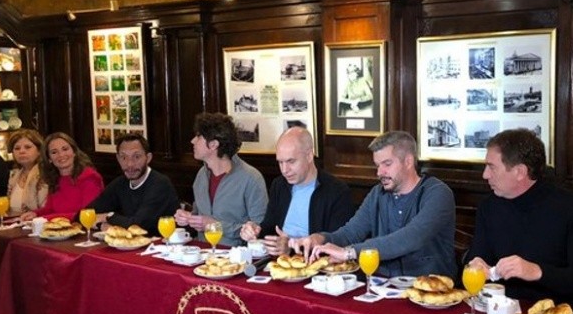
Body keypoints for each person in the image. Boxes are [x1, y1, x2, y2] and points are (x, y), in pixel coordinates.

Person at [293, 130, 457, 278]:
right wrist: (320, 238)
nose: (379, 173)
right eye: (377, 166)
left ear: (408, 161)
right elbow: (351, 233)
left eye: (387, 164)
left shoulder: (437, 193)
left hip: (430, 289)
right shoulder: (377, 194)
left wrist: (350, 253)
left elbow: (410, 237)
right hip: (382, 285)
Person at [466, 129, 573, 312]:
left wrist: (536, 272)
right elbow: (479, 257)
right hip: (499, 310)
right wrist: (477, 265)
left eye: (492, 167)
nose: (485, 175)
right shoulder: (489, 206)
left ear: (520, 172)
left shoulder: (570, 209)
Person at [239, 127, 355, 256]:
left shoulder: (337, 191)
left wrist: (291, 248)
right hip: (278, 262)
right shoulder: (280, 185)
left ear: (309, 156)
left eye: (291, 161)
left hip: (315, 266)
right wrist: (255, 231)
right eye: (280, 162)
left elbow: (337, 244)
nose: (284, 170)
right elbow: (270, 229)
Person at [175, 112, 267, 246]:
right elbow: (198, 214)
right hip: (201, 254)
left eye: (198, 136)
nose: (192, 141)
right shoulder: (201, 174)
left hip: (236, 258)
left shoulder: (251, 178)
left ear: (213, 144)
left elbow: (260, 229)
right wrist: (187, 217)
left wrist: (216, 225)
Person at [86, 133, 180, 235]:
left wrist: (108, 216)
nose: (129, 164)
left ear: (148, 158)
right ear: (118, 159)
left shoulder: (160, 184)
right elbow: (85, 214)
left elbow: (138, 225)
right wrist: (103, 225)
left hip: (164, 246)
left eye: (136, 157)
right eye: (124, 157)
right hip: (131, 246)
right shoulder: (119, 183)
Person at [20, 132, 104, 221]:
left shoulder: (90, 177)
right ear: (49, 159)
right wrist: (35, 214)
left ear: (74, 152)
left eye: (65, 149)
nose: (61, 155)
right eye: (54, 152)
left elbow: (86, 214)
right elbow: (50, 209)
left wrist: (44, 218)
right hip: (60, 230)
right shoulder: (55, 179)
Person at [5, 129, 48, 213]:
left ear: (39, 151)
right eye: (17, 148)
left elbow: (46, 208)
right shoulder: (14, 175)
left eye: (27, 147)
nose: (21, 151)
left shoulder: (45, 174)